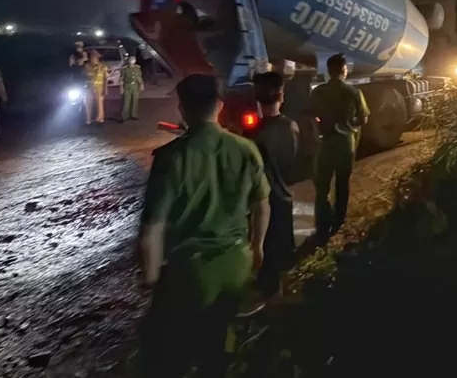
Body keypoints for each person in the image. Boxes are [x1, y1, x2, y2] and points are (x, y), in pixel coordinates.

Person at [136, 74, 271, 378]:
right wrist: (257, 248)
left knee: (169, 353)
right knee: (220, 343)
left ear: (182, 109)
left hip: (190, 272)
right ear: (220, 106)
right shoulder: (246, 149)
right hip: (236, 264)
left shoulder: (171, 157)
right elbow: (262, 205)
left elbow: (152, 230)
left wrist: (152, 277)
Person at [309, 54, 370, 240]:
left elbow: (311, 116)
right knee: (342, 184)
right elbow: (364, 118)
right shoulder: (354, 92)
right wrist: (350, 125)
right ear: (345, 71)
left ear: (328, 71)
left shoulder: (317, 92)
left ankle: (322, 226)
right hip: (346, 144)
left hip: (324, 143)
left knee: (322, 186)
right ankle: (338, 222)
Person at [250, 71, 299, 301]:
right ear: (282, 96)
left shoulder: (253, 135)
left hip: (260, 204)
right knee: (282, 253)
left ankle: (268, 300)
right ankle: (281, 296)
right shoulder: (292, 127)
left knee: (264, 253)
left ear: (257, 98)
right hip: (284, 197)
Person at [84, 50, 108, 124]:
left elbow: (105, 79)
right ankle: (88, 120)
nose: (93, 59)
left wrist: (105, 89)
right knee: (88, 104)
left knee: (99, 104)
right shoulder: (87, 66)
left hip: (99, 88)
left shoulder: (103, 67)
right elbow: (83, 77)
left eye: (94, 58)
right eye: (91, 58)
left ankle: (100, 119)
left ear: (97, 59)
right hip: (89, 88)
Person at [120, 56, 144, 121]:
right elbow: (121, 79)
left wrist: (142, 84)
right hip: (127, 86)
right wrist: (121, 88)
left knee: (135, 100)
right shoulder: (125, 69)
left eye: (133, 60)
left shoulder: (137, 68)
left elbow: (139, 77)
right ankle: (124, 116)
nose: (132, 61)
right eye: (131, 60)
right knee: (126, 101)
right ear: (128, 61)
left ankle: (134, 115)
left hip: (135, 86)